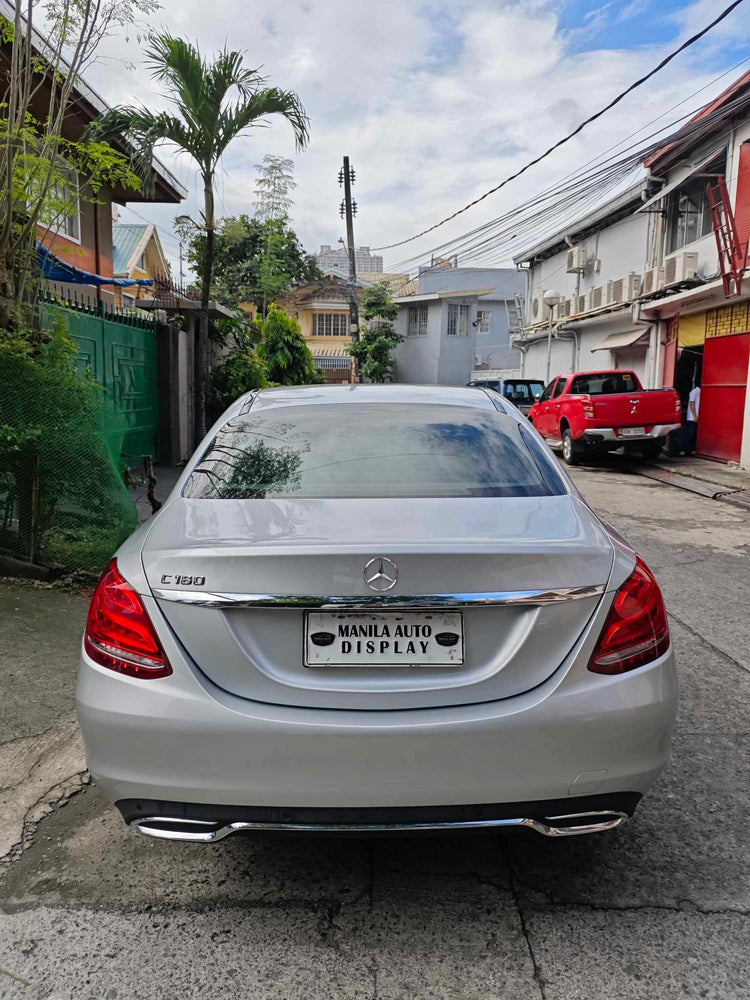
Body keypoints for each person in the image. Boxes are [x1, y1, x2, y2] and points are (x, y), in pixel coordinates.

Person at [684, 382, 701, 455]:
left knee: (695, 434)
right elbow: (692, 403)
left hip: (696, 417)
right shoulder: (695, 391)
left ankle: (691, 450)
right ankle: (687, 450)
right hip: (692, 418)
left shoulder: (699, 391)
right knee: (690, 434)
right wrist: (694, 416)